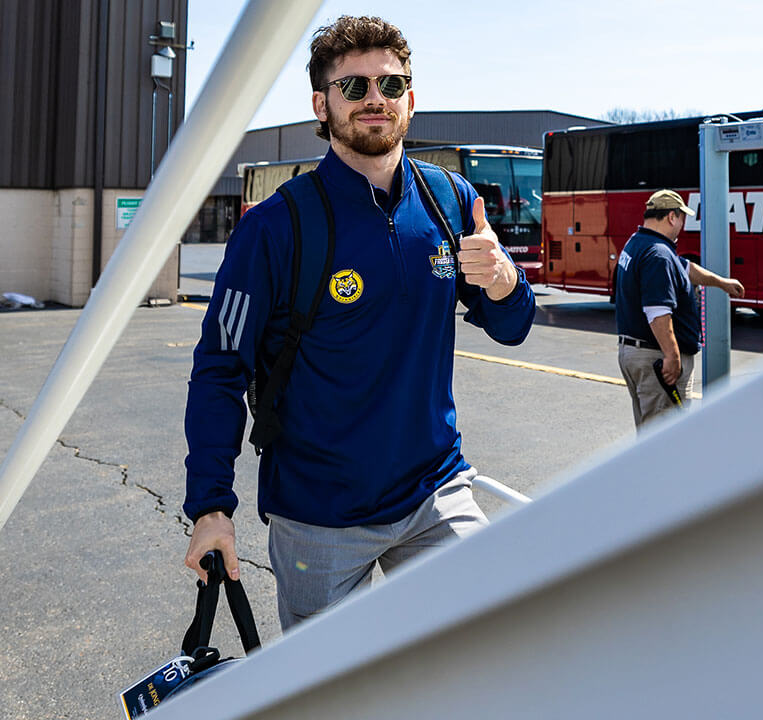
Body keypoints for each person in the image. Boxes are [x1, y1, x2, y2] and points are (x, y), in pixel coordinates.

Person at [181, 16, 536, 631]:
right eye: (355, 87)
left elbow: (511, 326)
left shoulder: (450, 201)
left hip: (434, 493)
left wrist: (504, 281)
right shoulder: (273, 228)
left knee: (486, 653)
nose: (376, 99)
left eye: (392, 86)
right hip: (319, 518)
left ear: (411, 101)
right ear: (322, 104)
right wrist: (211, 505)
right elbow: (219, 369)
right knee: (334, 694)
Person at [615, 190, 744, 428]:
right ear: (672, 217)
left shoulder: (638, 243)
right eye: (682, 218)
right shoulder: (658, 255)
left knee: (649, 431)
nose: (682, 225)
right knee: (665, 436)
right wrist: (672, 356)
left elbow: (685, 268)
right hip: (657, 358)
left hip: (636, 353)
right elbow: (657, 313)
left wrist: (721, 282)